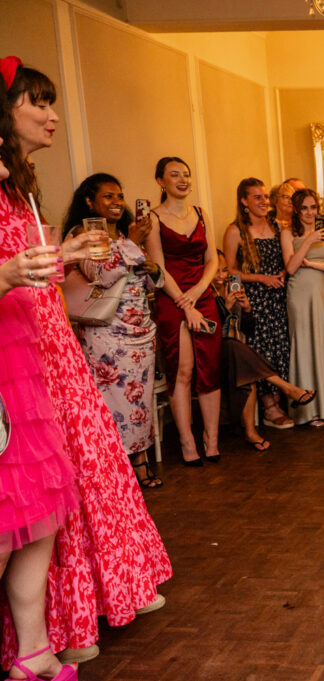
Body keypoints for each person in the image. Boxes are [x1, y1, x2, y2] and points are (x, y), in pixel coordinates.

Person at [1, 58, 171, 667]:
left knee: (79, 476)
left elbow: (32, 264)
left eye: (52, 103)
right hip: (20, 355)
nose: (51, 116)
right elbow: (12, 268)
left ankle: (98, 602)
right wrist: (16, 270)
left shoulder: (21, 183)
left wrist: (62, 250)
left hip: (51, 339)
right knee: (36, 498)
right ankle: (57, 628)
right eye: (37, 104)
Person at [0, 113, 79, 679]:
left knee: (36, 513)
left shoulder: (11, 193)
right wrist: (6, 274)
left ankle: (34, 652)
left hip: (21, 356)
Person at [63, 173, 162, 488]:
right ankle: (117, 471)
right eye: (108, 196)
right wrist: (133, 243)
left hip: (141, 330)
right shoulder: (83, 235)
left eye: (120, 196)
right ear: (90, 201)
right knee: (114, 402)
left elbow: (141, 280)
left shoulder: (124, 235)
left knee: (140, 400)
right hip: (108, 333)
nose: (117, 202)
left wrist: (153, 270)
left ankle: (142, 461)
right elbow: (102, 276)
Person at [146, 156, 223, 464]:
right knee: (184, 370)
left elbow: (213, 260)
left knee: (210, 368)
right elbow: (158, 268)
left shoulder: (202, 213)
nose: (183, 179)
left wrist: (198, 293)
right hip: (171, 297)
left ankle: (212, 439)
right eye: (174, 174)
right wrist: (184, 303)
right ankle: (188, 442)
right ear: (160, 182)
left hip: (201, 293)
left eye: (186, 175)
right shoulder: (152, 218)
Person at [212, 252, 314, 451]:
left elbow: (247, 330)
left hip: (235, 356)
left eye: (224, 270)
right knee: (234, 348)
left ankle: (251, 433)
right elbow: (213, 333)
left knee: (244, 366)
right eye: (215, 271)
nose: (221, 276)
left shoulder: (229, 288)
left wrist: (247, 309)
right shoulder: (206, 296)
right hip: (214, 355)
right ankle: (287, 388)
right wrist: (226, 307)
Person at [223, 178, 294, 429]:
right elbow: (229, 270)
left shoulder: (277, 225)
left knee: (281, 349)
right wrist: (261, 278)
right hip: (254, 300)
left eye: (265, 196)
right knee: (261, 351)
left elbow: (287, 258)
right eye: (257, 197)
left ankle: (279, 400)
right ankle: (269, 408)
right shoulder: (235, 231)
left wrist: (285, 273)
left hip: (279, 298)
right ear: (244, 201)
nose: (264, 201)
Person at [282, 189, 324, 427]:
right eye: (305, 208)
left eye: (313, 207)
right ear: (297, 211)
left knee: (322, 343)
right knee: (304, 345)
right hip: (299, 293)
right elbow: (290, 267)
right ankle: (308, 411)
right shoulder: (288, 233)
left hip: (321, 291)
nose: (310, 213)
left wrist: (313, 264)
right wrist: (308, 240)